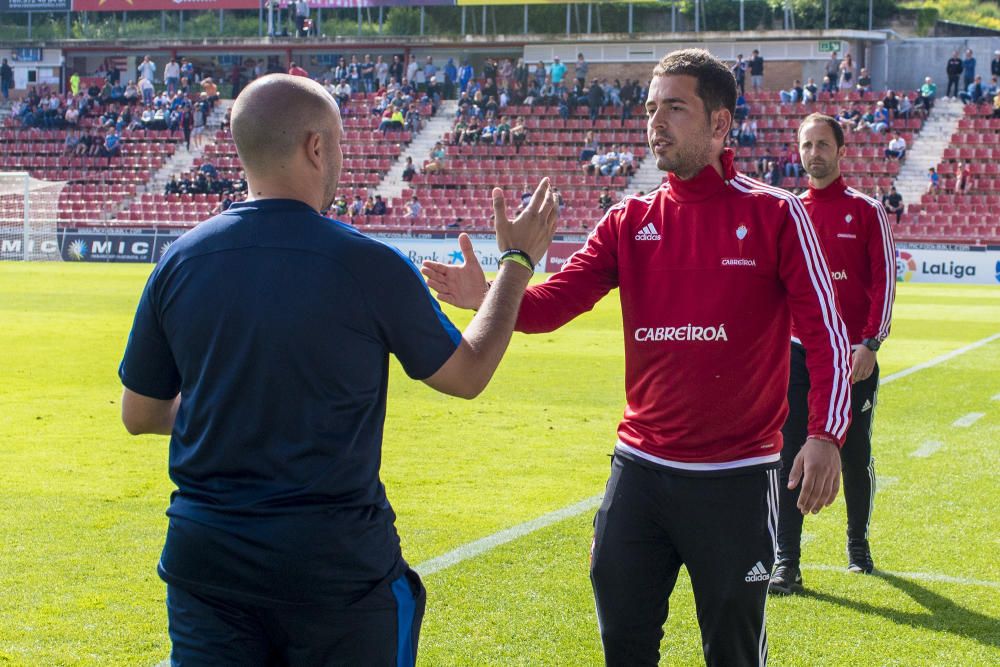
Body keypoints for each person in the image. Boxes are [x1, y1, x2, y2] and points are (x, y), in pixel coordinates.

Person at [421, 49, 851, 667]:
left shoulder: (775, 214)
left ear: (720, 124)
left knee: (733, 652)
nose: (656, 122)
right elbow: (553, 304)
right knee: (623, 642)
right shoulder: (629, 220)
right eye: (651, 109)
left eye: (675, 108)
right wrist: (491, 294)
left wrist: (825, 435)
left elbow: (828, 333)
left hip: (734, 477)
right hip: (640, 472)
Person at [118, 73, 558, 665]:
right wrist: (516, 262)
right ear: (315, 148)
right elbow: (468, 373)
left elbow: (140, 413)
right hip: (334, 571)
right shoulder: (366, 263)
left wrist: (234, 403)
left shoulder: (180, 260)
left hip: (207, 563)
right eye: (341, 147)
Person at [769, 114, 895, 595]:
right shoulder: (789, 213)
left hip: (853, 357)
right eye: (807, 145)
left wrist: (871, 342)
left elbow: (884, 282)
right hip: (799, 355)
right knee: (789, 452)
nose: (814, 153)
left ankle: (857, 546)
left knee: (854, 452)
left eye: (823, 144)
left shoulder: (867, 211)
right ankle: (787, 562)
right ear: (798, 152)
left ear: (842, 152)